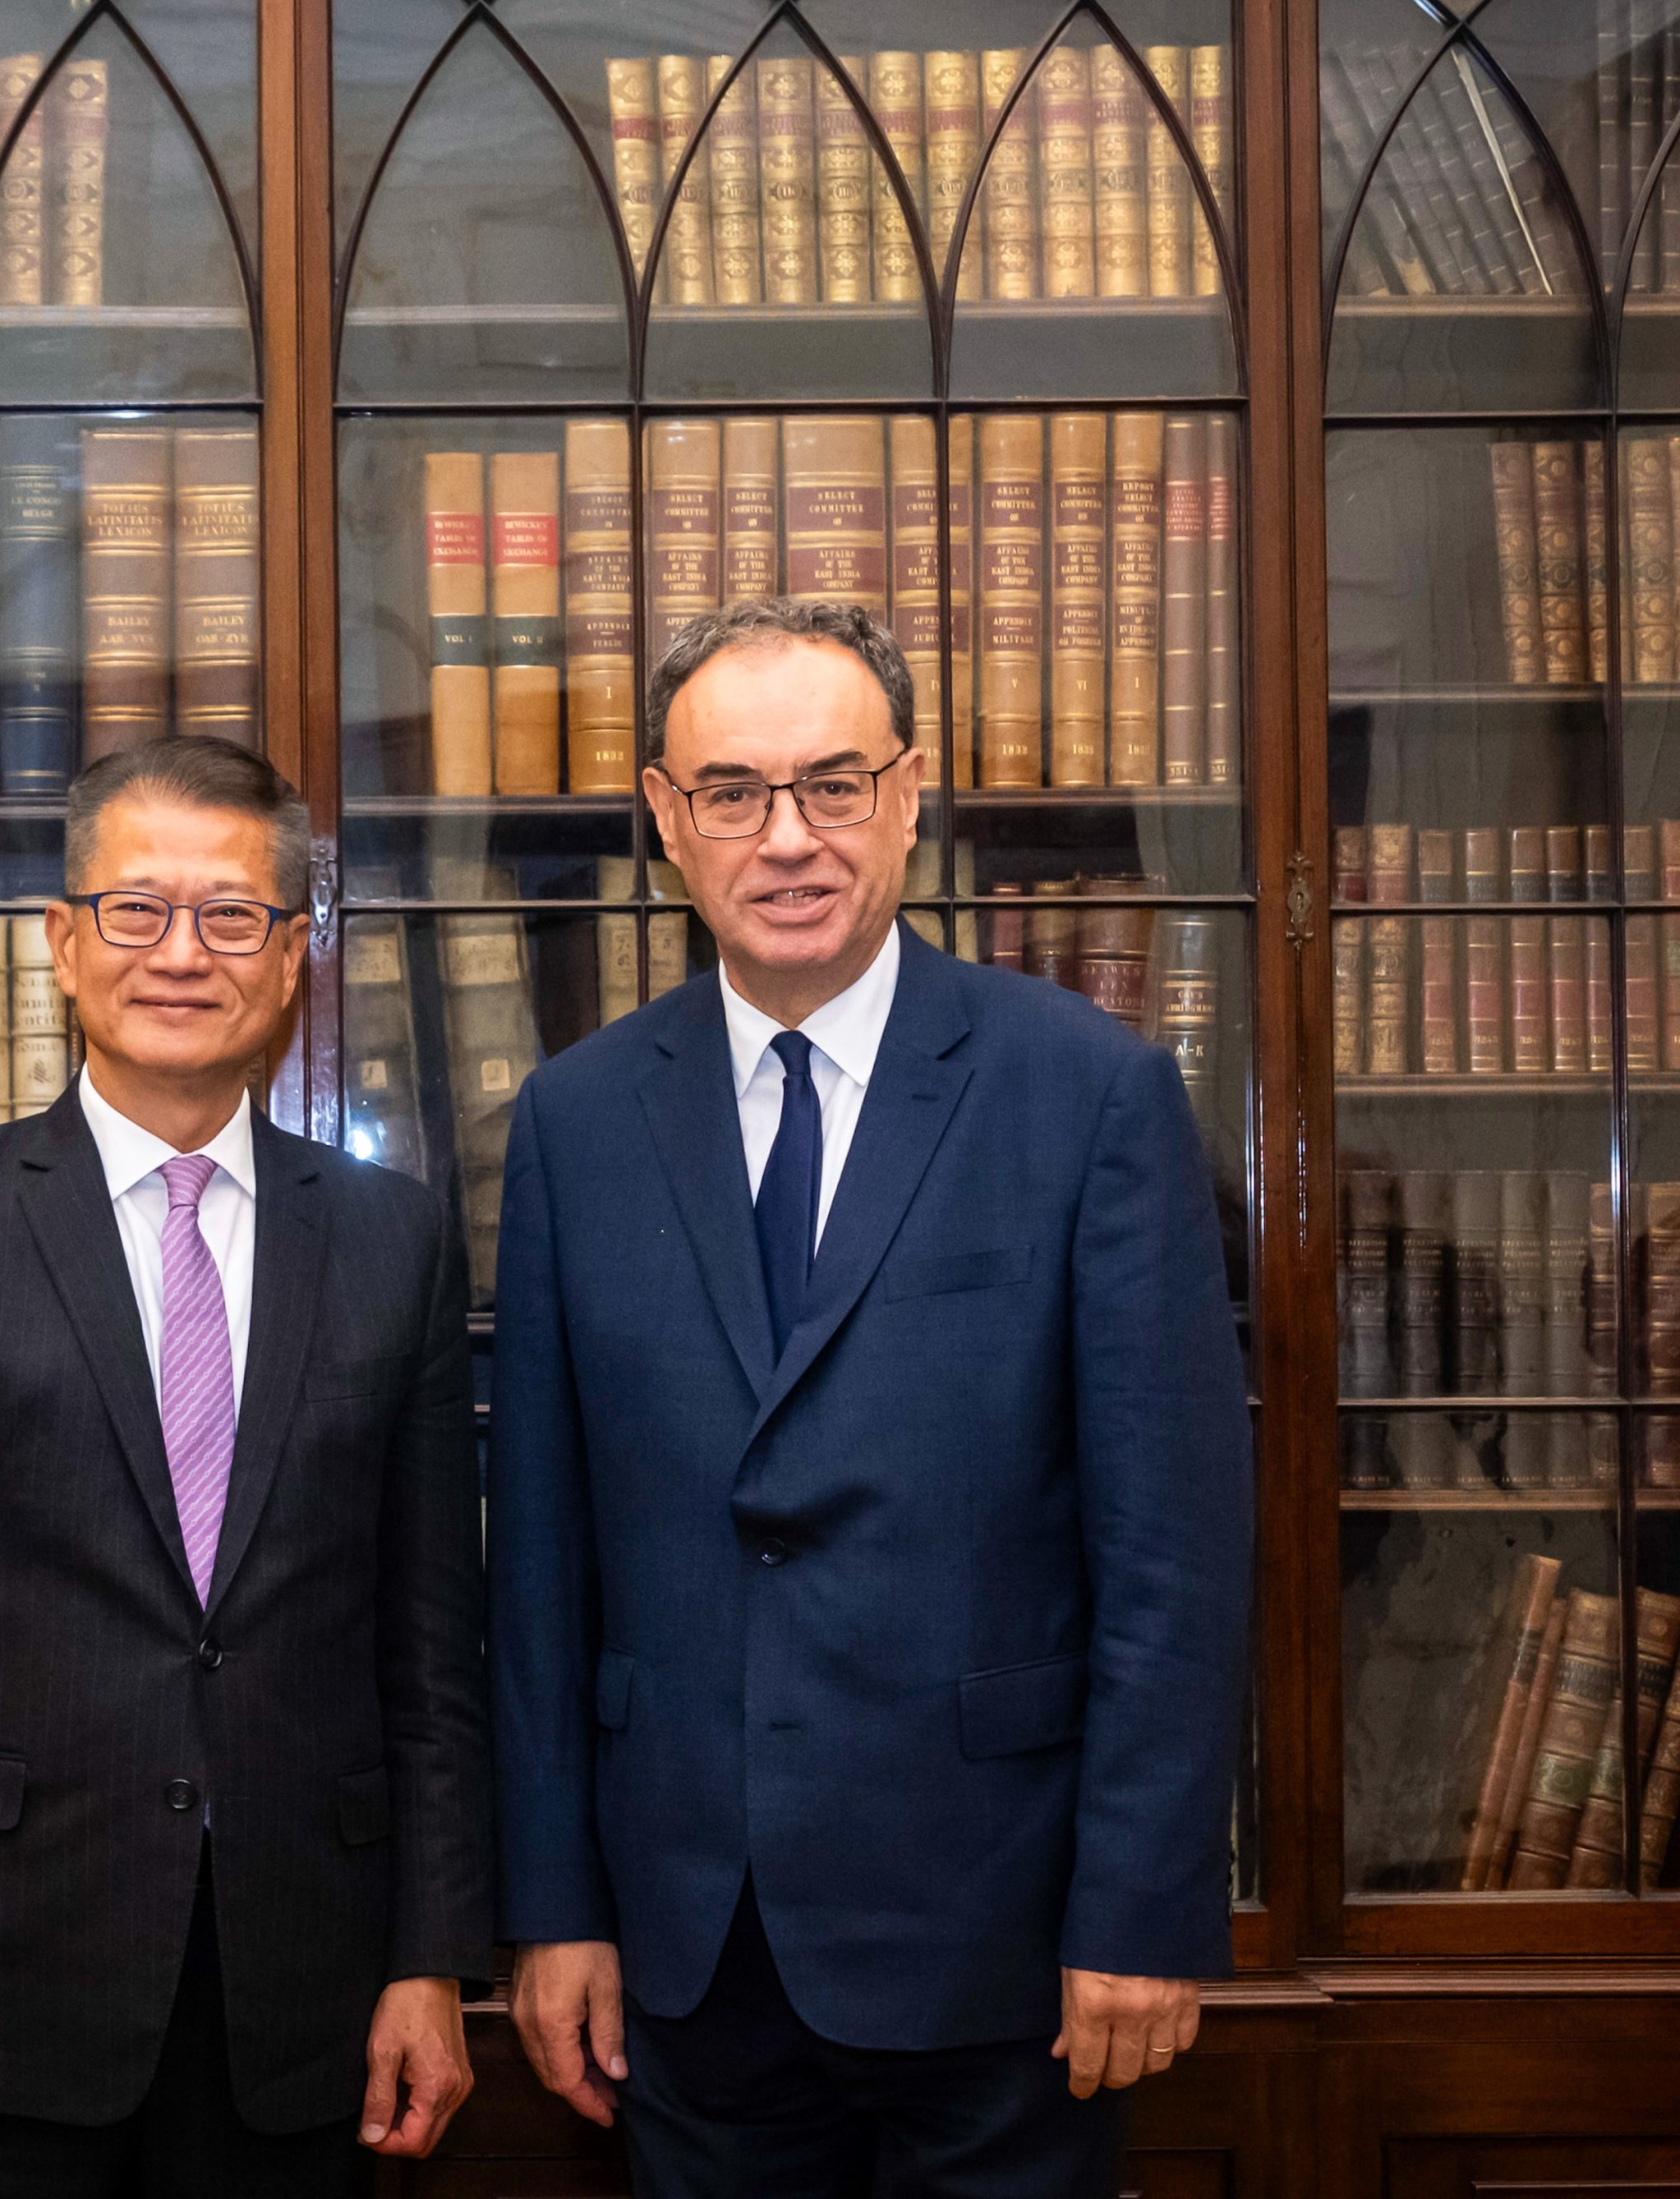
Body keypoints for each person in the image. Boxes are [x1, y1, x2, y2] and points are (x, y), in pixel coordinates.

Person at [488, 600, 1254, 2199]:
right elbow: (541, 1561)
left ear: (912, 795)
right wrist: (552, 1901)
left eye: (834, 784)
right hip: (689, 1953)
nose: (787, 838)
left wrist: (1139, 1906)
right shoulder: (573, 1120)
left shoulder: (1086, 1094)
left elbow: (1169, 1555)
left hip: (1005, 1940)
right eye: (733, 792)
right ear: (662, 817)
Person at [0, 734, 492, 2197]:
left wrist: (433, 1959)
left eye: (232, 914)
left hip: (310, 2003)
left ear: (293, 956)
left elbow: (433, 1650)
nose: (183, 952)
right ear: (61, 941)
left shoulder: (391, 1240)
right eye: (137, 908)